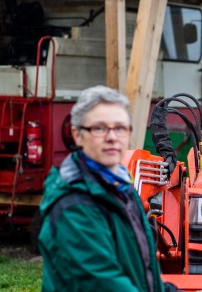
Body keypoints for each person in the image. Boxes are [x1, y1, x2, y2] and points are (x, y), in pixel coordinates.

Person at [37, 85, 173, 292]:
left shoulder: (122, 187)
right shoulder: (73, 205)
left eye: (120, 127)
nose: (112, 137)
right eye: (99, 128)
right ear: (77, 134)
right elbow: (103, 282)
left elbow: (144, 270)